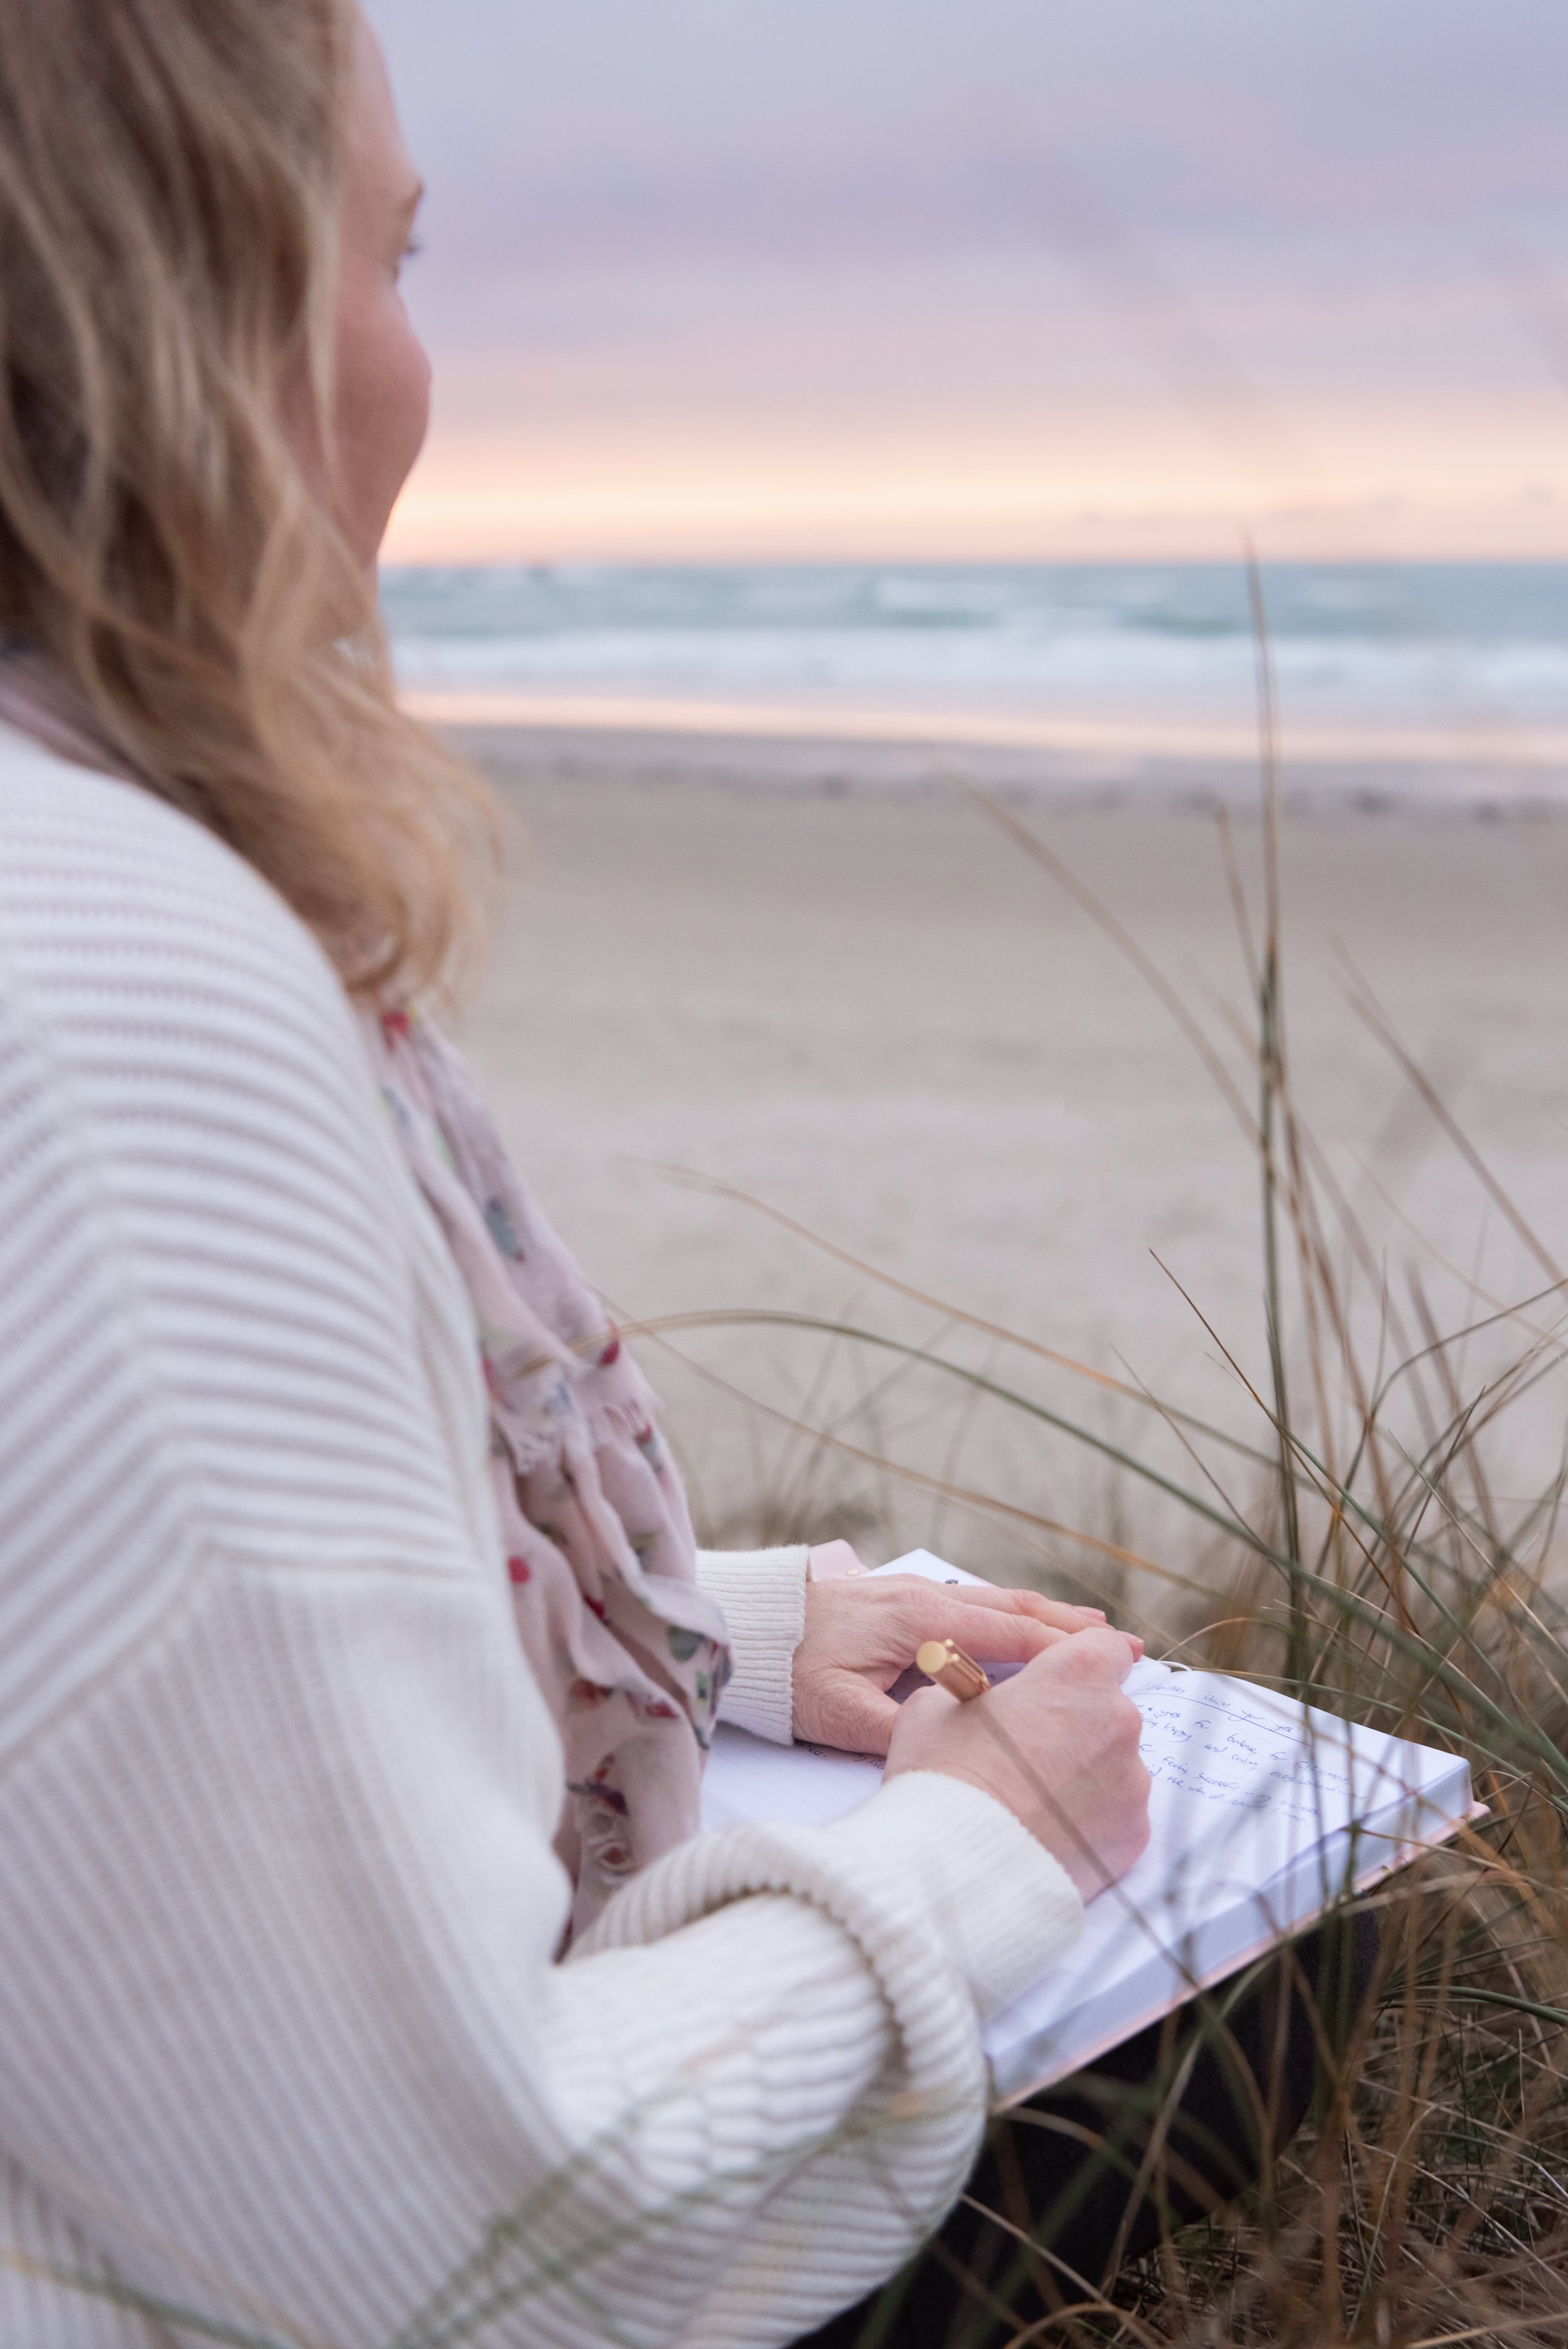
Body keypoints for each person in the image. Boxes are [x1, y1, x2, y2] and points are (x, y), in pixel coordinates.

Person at [0, 7, 1348, 2346]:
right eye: (387, 260)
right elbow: (424, 2238)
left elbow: (100, 1619)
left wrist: (697, 1628)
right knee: (1297, 1978)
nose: (420, 372)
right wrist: (976, 1855)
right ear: (178, 306)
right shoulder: (108, 988)